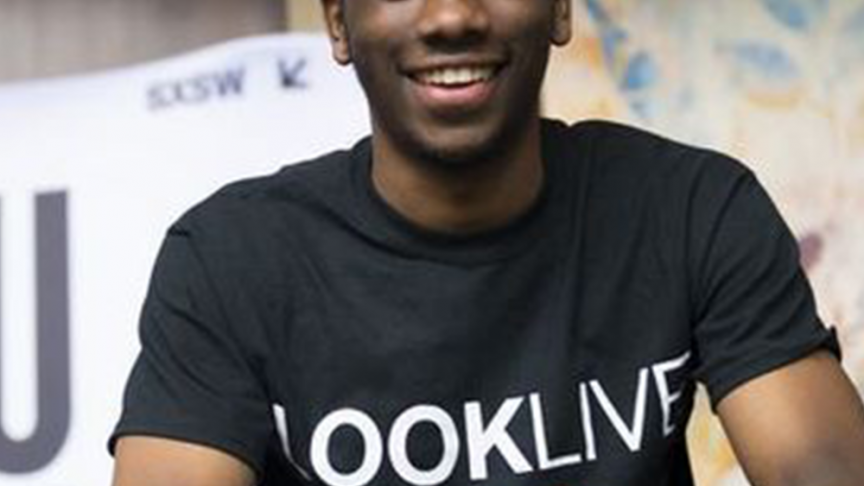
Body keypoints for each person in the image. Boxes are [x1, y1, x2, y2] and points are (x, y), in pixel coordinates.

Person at [109, 1, 864, 485]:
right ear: (338, 22)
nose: (451, 17)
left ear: (560, 9)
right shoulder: (230, 260)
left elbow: (821, 470)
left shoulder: (690, 208)